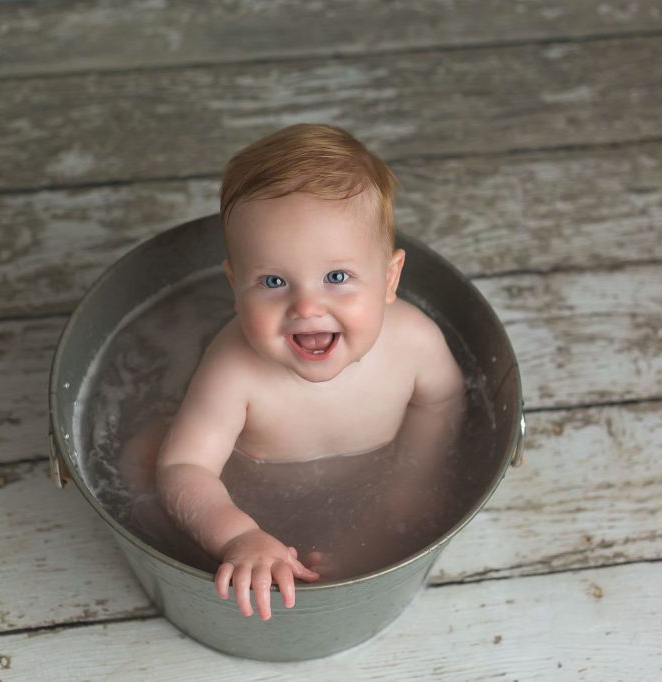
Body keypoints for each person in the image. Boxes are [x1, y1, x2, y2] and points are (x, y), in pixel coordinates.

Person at [155, 123, 465, 621]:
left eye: (337, 277)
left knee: (389, 529)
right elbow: (183, 468)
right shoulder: (234, 369)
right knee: (142, 461)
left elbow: (443, 400)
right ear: (235, 287)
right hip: (249, 496)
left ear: (389, 278)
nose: (307, 306)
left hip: (373, 489)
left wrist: (413, 477)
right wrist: (238, 534)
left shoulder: (415, 342)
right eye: (273, 280)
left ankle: (352, 566)